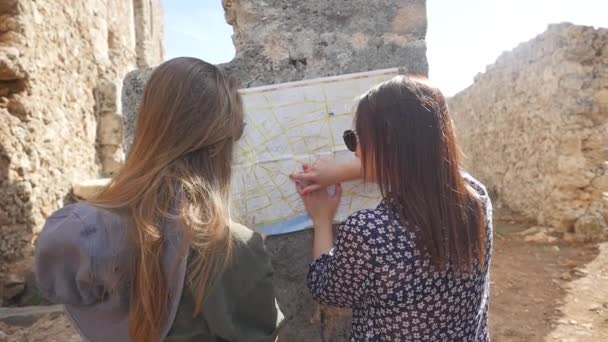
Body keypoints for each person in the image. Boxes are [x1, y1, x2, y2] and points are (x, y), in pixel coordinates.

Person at [35, 57, 283, 342]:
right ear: (219, 143)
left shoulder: (84, 232)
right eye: (238, 131)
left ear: (149, 124)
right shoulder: (235, 248)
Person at [291, 75, 493, 341]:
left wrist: (322, 219)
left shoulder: (368, 231)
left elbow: (326, 288)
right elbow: (425, 162)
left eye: (356, 140)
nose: (355, 153)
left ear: (387, 143)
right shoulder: (476, 198)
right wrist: (345, 171)